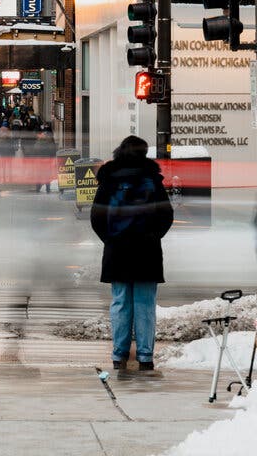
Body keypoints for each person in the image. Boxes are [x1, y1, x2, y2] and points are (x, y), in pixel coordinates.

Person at [90, 136, 173, 371]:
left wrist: (111, 239)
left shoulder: (108, 180)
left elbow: (97, 217)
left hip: (118, 250)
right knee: (145, 304)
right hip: (147, 250)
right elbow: (166, 215)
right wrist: (153, 236)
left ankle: (119, 355)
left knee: (120, 302)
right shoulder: (152, 180)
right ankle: (145, 357)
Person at [32, 126, 57, 193]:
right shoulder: (50, 143)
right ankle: (47, 188)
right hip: (48, 162)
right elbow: (53, 152)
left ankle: (38, 188)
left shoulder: (38, 143)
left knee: (39, 175)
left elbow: (34, 152)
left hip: (39, 162)